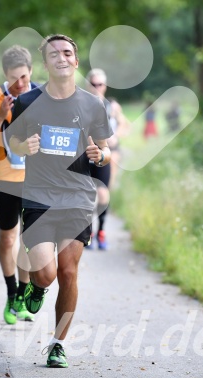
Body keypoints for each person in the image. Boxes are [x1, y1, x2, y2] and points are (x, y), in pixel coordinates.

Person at [8, 34, 112, 368]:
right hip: (38, 196)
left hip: (78, 197)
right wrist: (25, 147)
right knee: (46, 273)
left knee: (68, 272)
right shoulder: (27, 102)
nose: (62, 57)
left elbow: (107, 151)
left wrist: (101, 155)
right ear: (46, 63)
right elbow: (12, 143)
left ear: (76, 62)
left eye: (68, 52)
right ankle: (36, 289)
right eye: (54, 53)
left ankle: (57, 344)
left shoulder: (93, 104)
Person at [0, 45, 39, 325]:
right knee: (8, 238)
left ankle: (24, 297)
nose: (20, 84)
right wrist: (1, 115)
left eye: (24, 77)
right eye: (14, 79)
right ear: (5, 74)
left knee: (29, 242)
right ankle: (11, 294)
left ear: (31, 72)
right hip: (5, 179)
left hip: (35, 181)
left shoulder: (41, 96)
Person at [85, 68, 129, 250]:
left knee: (103, 193)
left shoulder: (112, 106)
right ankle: (87, 232)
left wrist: (115, 136)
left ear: (105, 86)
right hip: (85, 153)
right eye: (93, 84)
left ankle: (101, 231)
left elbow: (125, 125)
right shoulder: (81, 103)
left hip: (105, 154)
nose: (96, 87)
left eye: (100, 84)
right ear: (88, 85)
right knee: (86, 194)